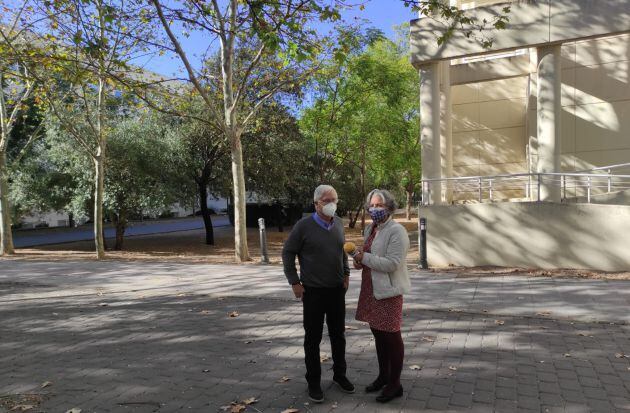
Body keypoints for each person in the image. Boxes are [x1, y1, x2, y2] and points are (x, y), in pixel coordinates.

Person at [282, 184, 354, 403]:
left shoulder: (339, 223)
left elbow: (342, 251)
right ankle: (313, 382)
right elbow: (287, 252)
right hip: (312, 292)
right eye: (326, 200)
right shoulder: (303, 226)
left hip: (336, 291)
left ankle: (340, 375)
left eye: (334, 200)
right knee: (312, 339)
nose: (331, 204)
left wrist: (346, 273)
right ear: (316, 204)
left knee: (338, 336)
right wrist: (294, 282)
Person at [353, 189, 410, 403]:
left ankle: (395, 384)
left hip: (388, 291)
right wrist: (358, 261)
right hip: (371, 290)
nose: (375, 209)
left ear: (389, 207)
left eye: (380, 205)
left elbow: (392, 263)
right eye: (372, 206)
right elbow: (365, 256)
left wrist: (364, 257)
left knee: (391, 337)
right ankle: (383, 376)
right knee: (378, 334)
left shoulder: (397, 231)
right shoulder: (371, 228)